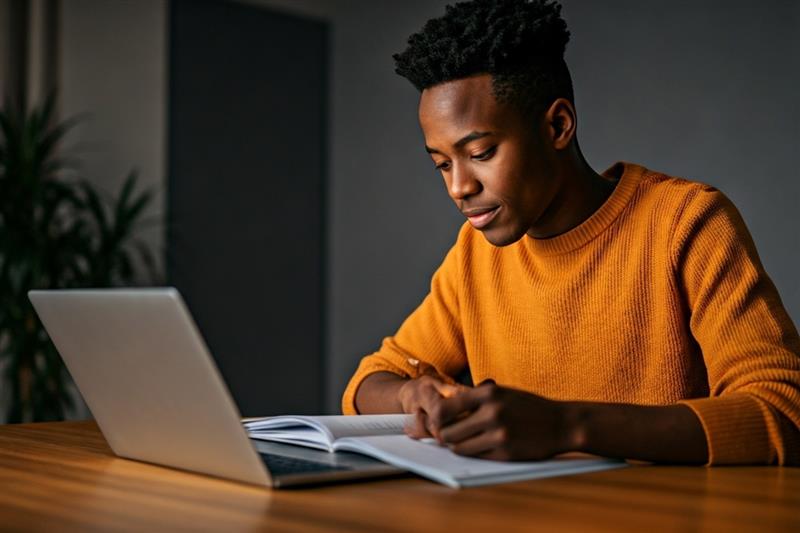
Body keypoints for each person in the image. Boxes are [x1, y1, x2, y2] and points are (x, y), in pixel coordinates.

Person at [341, 0, 800, 465]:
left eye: (480, 153)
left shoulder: (686, 222)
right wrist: (414, 394)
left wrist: (568, 427)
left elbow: (783, 411)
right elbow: (371, 380)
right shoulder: (473, 255)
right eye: (442, 163)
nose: (459, 187)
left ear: (558, 126)